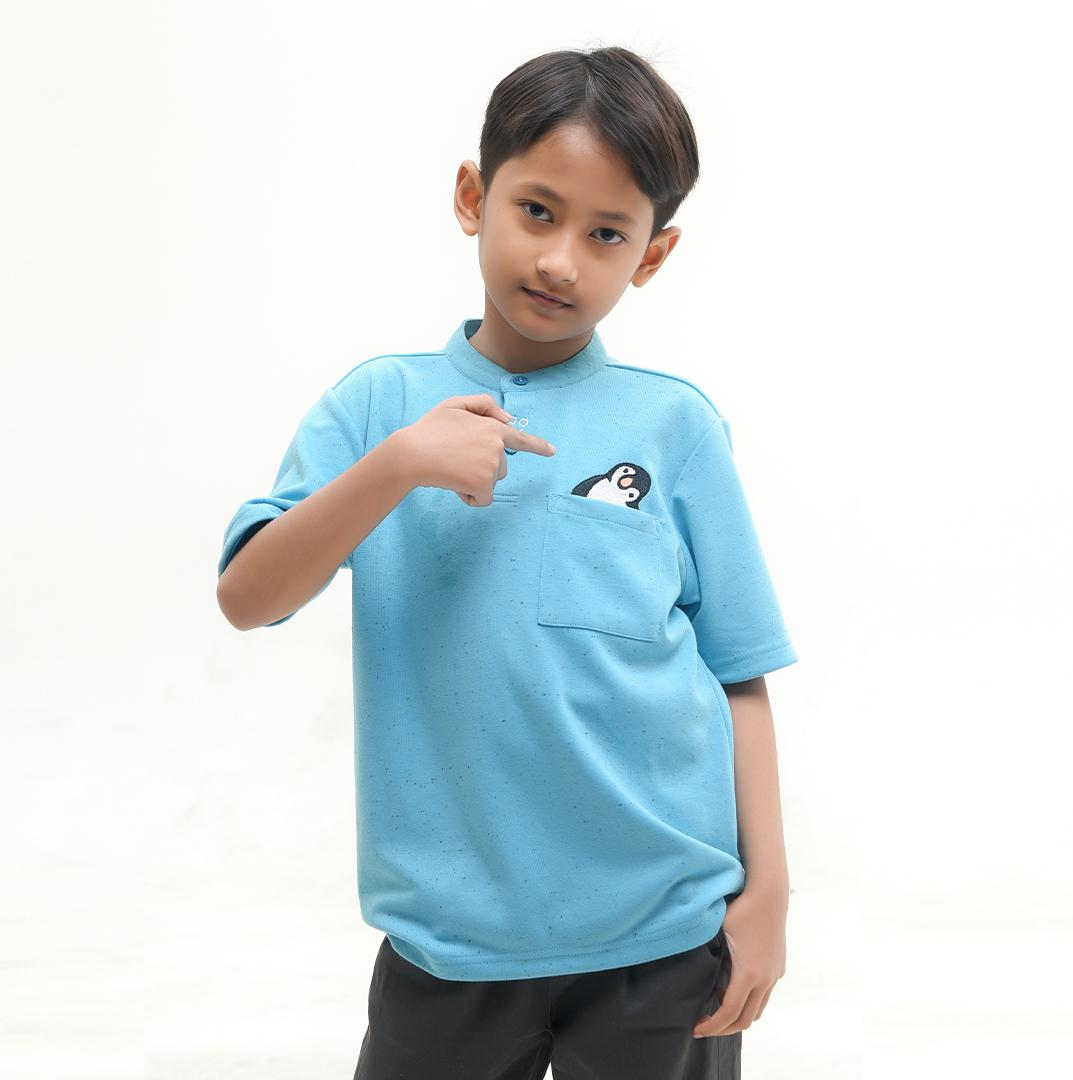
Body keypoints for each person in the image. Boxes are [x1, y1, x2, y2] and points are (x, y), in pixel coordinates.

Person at [217, 44, 798, 1080]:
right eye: (537, 211)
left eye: (606, 233)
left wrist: (770, 897)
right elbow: (247, 597)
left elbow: (736, 673)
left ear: (652, 255)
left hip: (663, 930)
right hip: (450, 937)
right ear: (471, 197)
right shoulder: (380, 407)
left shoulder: (675, 426)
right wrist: (398, 466)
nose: (561, 261)